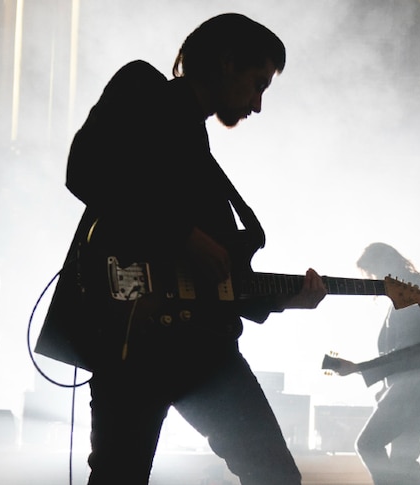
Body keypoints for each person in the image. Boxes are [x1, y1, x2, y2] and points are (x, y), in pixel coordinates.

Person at [34, 13, 327, 485]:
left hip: (200, 348)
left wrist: (279, 297)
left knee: (275, 476)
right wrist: (183, 235)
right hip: (133, 339)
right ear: (227, 62)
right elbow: (85, 168)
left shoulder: (199, 144)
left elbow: (207, 277)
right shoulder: (142, 87)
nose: (256, 105)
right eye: (258, 85)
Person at [324, 243, 420, 485]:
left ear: (385, 266)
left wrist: (359, 368)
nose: (374, 280)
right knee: (404, 460)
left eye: (373, 272)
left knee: (369, 444)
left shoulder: (414, 294)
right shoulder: (410, 292)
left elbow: (410, 353)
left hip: (417, 389)